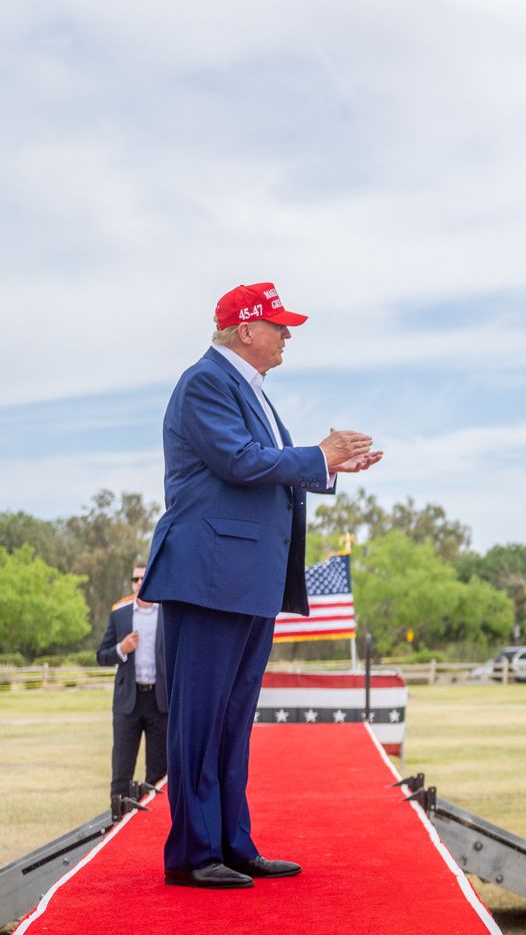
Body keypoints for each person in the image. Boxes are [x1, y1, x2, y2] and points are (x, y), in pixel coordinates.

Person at [141, 282, 380, 889]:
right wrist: (316, 454)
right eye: (278, 325)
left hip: (244, 578)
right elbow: (239, 462)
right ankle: (193, 854)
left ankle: (232, 843)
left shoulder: (250, 391)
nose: (287, 336)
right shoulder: (205, 382)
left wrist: (328, 465)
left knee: (233, 720)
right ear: (246, 330)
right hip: (209, 575)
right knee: (200, 722)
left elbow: (262, 468)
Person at [96, 564, 167, 815]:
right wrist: (121, 650)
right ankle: (118, 820)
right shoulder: (120, 616)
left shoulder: (168, 615)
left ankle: (154, 822)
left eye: (144, 578)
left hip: (160, 702)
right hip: (129, 702)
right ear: (132, 583)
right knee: (122, 768)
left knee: (159, 770)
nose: (140, 583)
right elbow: (101, 656)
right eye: (135, 579)